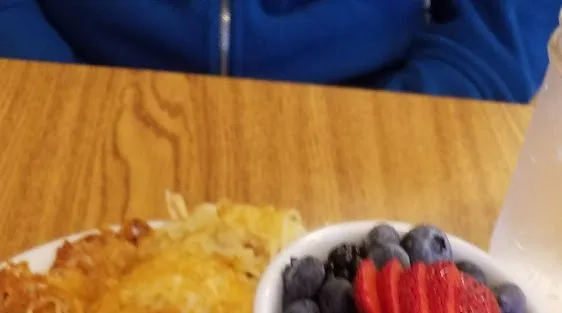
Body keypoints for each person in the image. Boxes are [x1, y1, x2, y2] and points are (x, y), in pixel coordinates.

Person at [0, 1, 559, 103]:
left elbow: (498, 38)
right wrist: (51, 92)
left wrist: (410, 109)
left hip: (376, 102)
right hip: (71, 80)